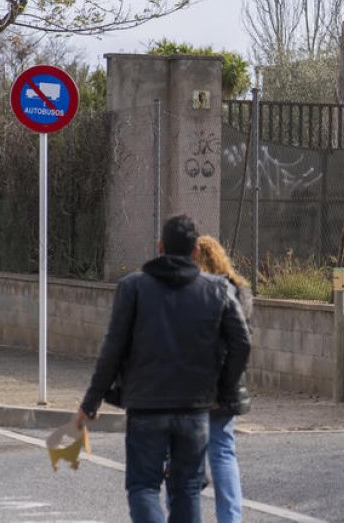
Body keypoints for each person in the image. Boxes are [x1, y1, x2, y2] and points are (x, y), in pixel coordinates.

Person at [76, 215, 251, 523]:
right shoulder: (218, 290)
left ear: (160, 247)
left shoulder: (133, 287)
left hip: (146, 406)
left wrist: (90, 402)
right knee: (186, 489)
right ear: (195, 251)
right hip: (195, 407)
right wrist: (222, 391)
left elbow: (112, 349)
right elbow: (242, 343)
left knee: (143, 487)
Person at [193, 235, 253, 523]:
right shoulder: (239, 291)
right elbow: (242, 341)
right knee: (223, 451)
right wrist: (228, 384)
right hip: (227, 385)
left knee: (186, 451)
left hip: (196, 385)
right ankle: (230, 518)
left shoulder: (195, 292)